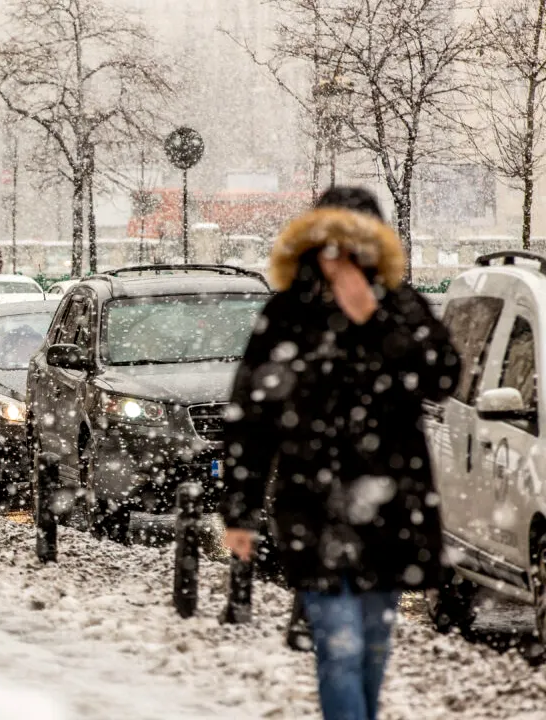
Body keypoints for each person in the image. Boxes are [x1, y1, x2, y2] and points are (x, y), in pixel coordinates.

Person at [218, 187, 461, 720]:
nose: (344, 261)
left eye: (357, 247)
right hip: (313, 505)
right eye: (333, 247)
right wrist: (239, 510)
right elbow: (250, 417)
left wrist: (375, 320)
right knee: (339, 647)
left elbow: (443, 376)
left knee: (372, 646)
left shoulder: (400, 306)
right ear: (312, 247)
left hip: (393, 504)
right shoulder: (288, 316)